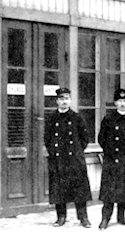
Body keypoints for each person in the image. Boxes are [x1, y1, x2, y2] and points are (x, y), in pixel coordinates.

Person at [44, 87, 92, 228]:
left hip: (74, 159)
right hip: (58, 159)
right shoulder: (52, 118)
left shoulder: (77, 117)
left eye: (66, 99)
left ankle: (83, 217)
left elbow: (85, 138)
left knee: (79, 189)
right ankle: (61, 217)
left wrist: (77, 151)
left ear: (70, 100)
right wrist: (54, 152)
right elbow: (47, 138)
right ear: (57, 101)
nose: (64, 101)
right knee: (58, 189)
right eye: (61, 99)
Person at [97, 88, 125, 230]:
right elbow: (101, 138)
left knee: (124, 189)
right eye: (119, 101)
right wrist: (110, 152)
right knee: (109, 192)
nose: (122, 103)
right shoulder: (108, 118)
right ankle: (105, 218)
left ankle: (121, 216)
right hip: (112, 159)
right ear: (115, 103)